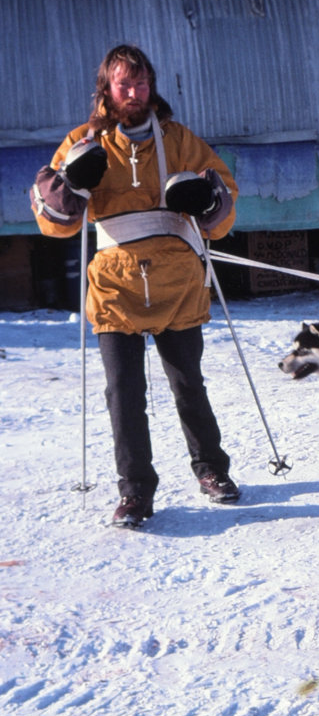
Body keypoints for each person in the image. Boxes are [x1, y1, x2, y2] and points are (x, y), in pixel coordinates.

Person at [32, 43, 241, 528]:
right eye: (124, 84)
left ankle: (212, 470)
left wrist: (207, 200)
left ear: (151, 86)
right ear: (107, 88)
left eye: (141, 83)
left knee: (188, 385)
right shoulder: (83, 141)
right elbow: (52, 221)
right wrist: (70, 188)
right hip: (114, 284)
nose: (133, 92)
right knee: (123, 393)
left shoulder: (179, 140)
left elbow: (225, 203)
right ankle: (135, 492)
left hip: (177, 281)